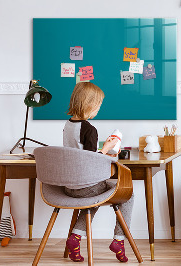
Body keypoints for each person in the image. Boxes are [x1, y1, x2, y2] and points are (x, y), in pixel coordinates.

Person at [63, 82, 134, 263]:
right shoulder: (89, 129)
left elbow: (80, 155)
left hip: (69, 186)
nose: (98, 109)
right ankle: (119, 240)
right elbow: (91, 161)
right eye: (98, 105)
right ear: (89, 105)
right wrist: (108, 148)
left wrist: (104, 150)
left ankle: (75, 238)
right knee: (128, 194)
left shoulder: (68, 125)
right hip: (86, 186)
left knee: (93, 198)